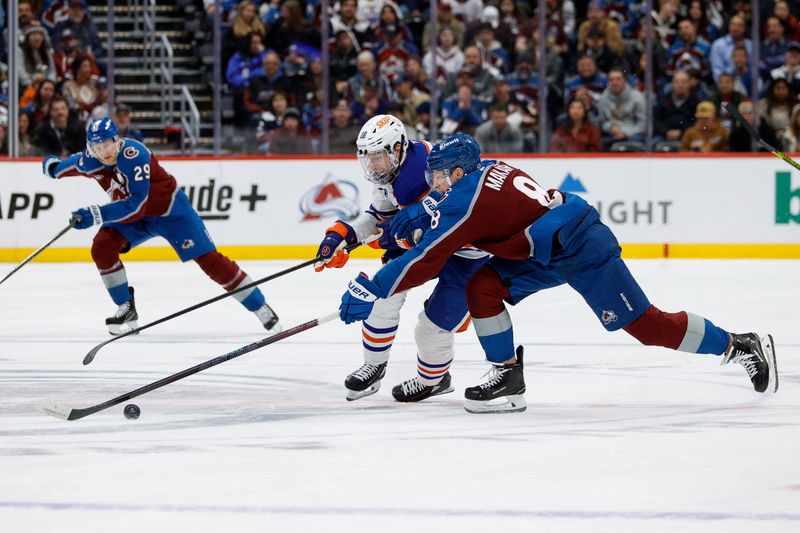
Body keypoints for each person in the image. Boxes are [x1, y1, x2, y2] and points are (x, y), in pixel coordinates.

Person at [337, 133, 778, 414]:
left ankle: (740, 345)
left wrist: (375, 286)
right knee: (482, 286)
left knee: (646, 326)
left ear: (457, 172)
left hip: (580, 248)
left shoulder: (465, 200)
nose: (432, 183)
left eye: (437, 176)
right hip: (543, 246)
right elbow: (449, 219)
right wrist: (418, 217)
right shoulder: (483, 171)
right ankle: (507, 374)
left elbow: (428, 258)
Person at [41, 118, 282, 335]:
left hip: (170, 212)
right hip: (135, 217)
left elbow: (137, 204)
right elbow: (71, 165)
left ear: (117, 140)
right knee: (102, 246)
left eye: (108, 144)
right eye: (98, 147)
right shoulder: (90, 159)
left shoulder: (134, 155)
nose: (104, 151)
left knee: (210, 261)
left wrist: (96, 214)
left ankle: (259, 306)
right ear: (91, 147)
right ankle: (125, 306)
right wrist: (53, 168)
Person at [314, 115, 488, 402]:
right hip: (432, 242)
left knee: (433, 326)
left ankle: (434, 379)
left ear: (397, 149)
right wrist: (342, 235)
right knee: (381, 297)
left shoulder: (428, 169)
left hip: (469, 252)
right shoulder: (392, 173)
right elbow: (378, 216)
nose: (372, 164)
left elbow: (434, 226)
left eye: (378, 156)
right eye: (367, 157)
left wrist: (390, 237)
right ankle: (374, 365)